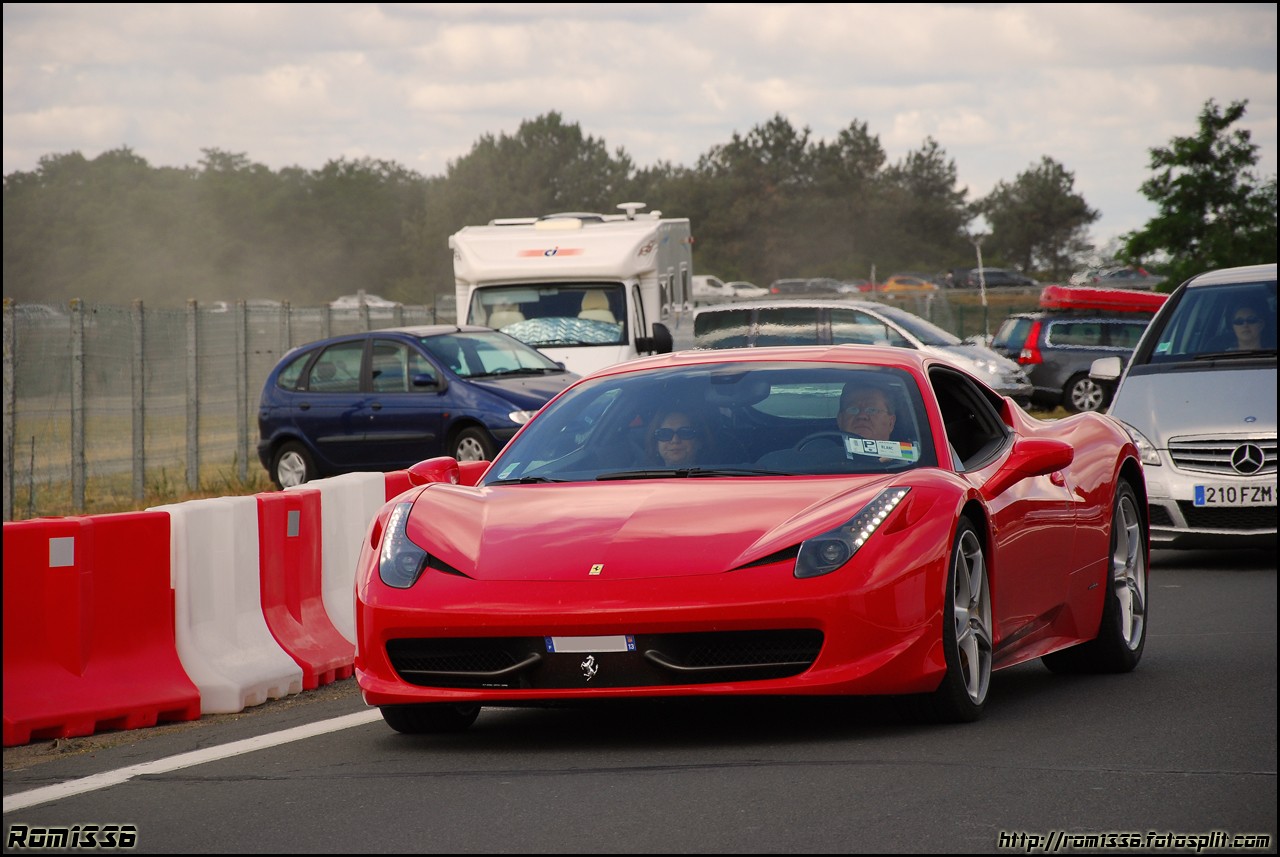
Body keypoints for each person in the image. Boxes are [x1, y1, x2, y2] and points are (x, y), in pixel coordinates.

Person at [645, 408, 712, 467]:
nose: (675, 440)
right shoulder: (639, 478)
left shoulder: (716, 479)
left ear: (699, 441)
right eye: (665, 434)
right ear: (656, 444)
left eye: (685, 433)